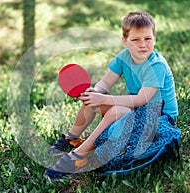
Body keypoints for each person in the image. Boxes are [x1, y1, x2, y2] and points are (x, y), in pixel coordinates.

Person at [45, 10, 178, 179]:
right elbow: (106, 82)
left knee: (117, 111)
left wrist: (104, 98)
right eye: (135, 40)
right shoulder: (124, 58)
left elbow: (141, 99)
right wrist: (95, 92)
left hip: (160, 115)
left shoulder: (156, 65)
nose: (142, 44)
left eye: (148, 39)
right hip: (138, 110)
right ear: (125, 41)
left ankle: (77, 156)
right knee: (91, 101)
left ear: (154, 38)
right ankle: (71, 139)